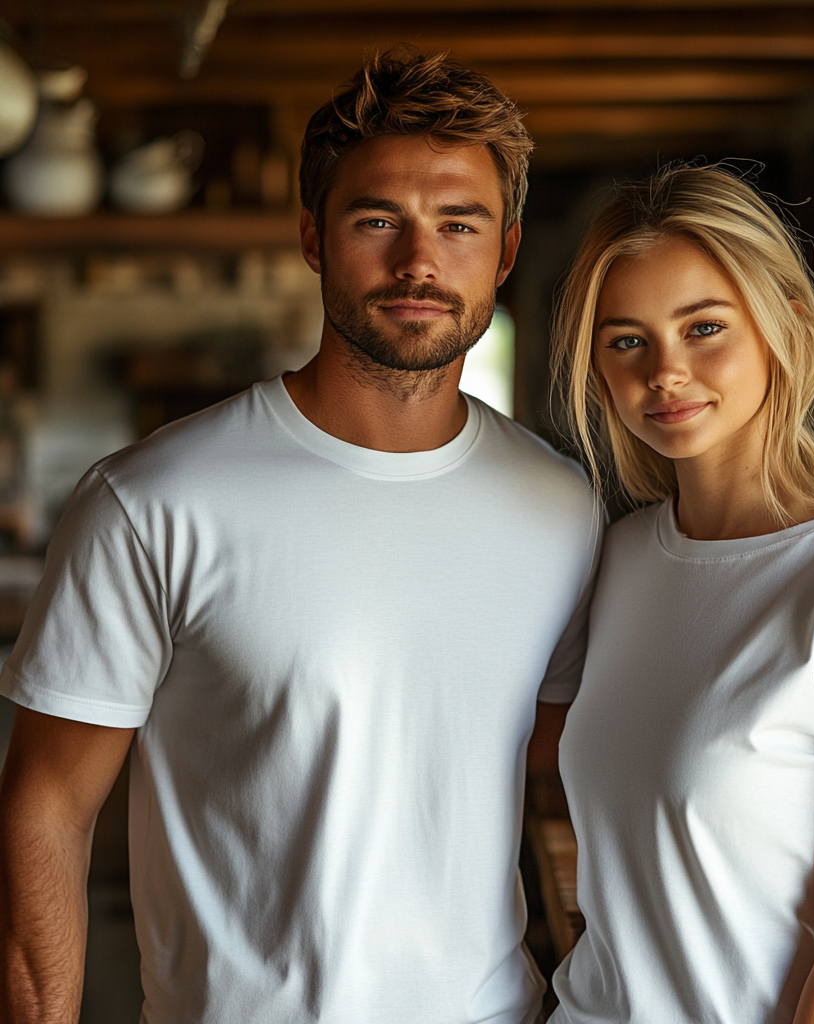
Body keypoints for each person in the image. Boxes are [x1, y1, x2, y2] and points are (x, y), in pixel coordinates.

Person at [0, 52, 599, 1024]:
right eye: (377, 221)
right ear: (314, 239)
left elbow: (562, 763)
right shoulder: (151, 501)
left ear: (507, 250)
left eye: (459, 224)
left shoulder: (561, 507)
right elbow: (44, 808)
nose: (418, 261)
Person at [547, 164, 814, 1024]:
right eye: (626, 340)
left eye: (703, 327)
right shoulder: (618, 560)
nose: (666, 372)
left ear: (784, 322)